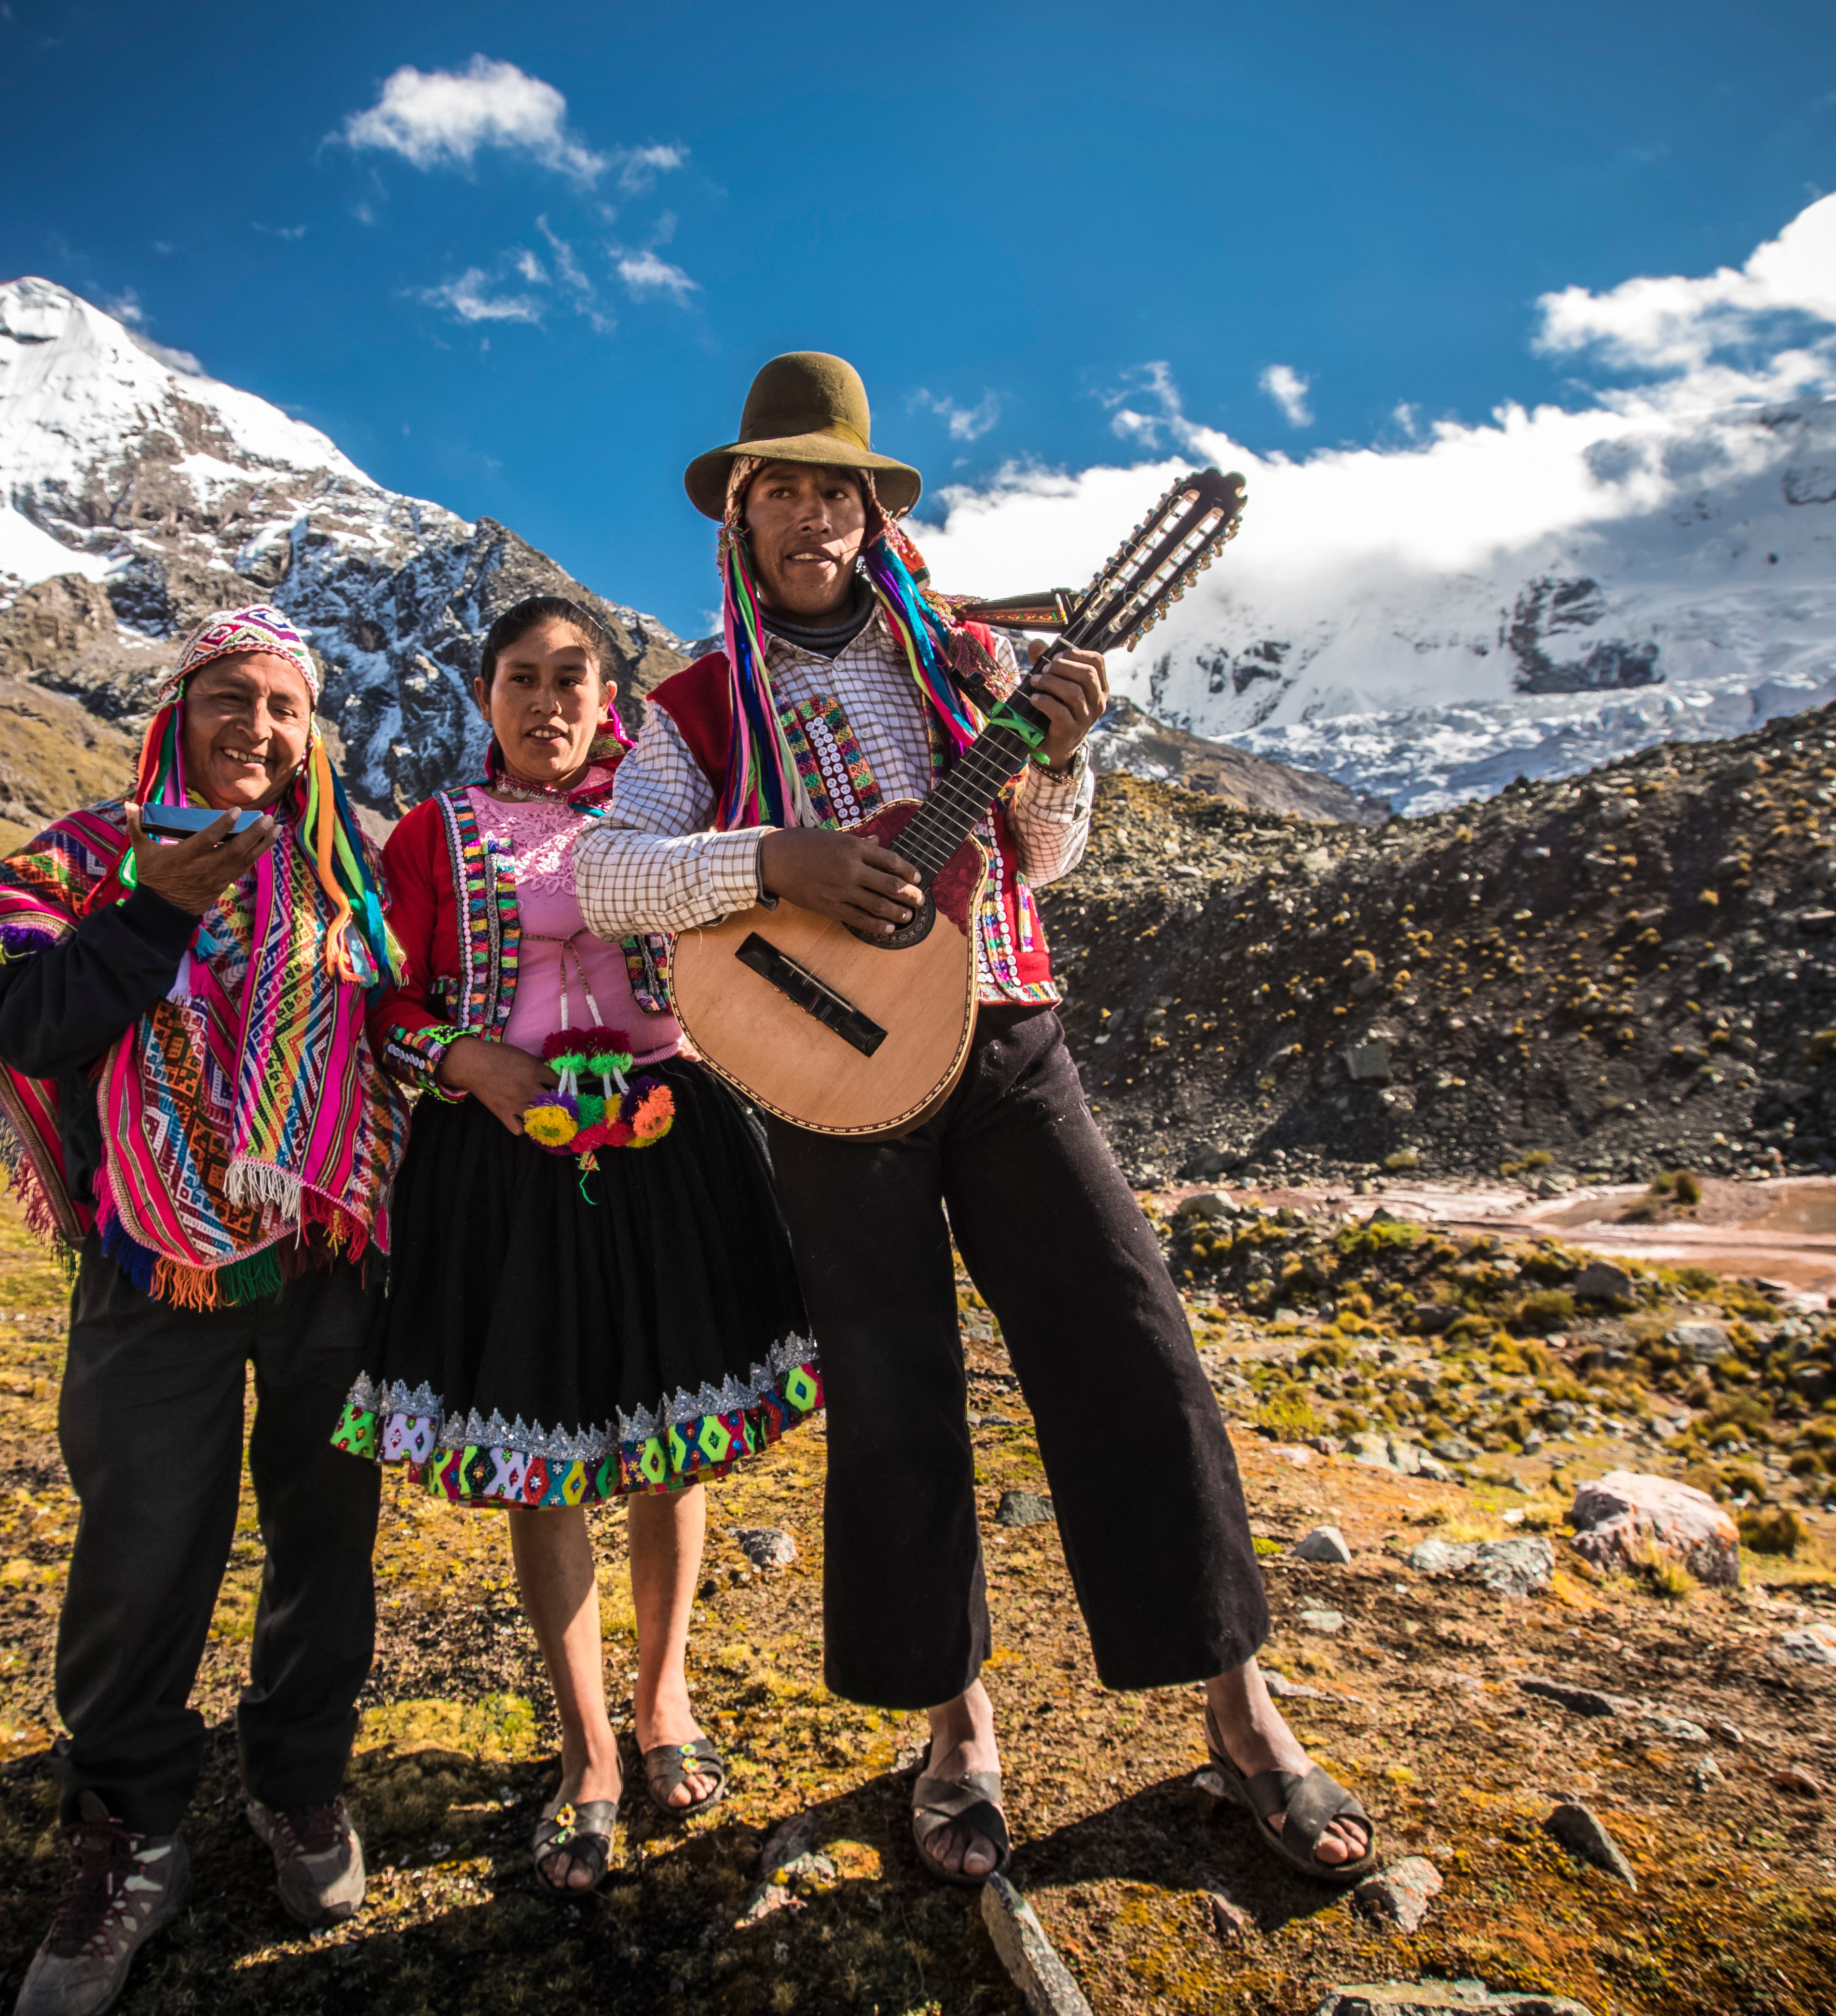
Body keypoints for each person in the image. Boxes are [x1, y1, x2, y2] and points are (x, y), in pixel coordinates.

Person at [575, 354, 1374, 1892]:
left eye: (840, 490)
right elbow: (606, 878)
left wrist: (1057, 754)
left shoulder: (974, 663)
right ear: (738, 516)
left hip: (1009, 1041)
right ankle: (958, 1725)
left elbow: (1045, 856)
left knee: (1135, 1344)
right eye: (783, 490)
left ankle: (1239, 1704)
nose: (814, 516)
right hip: (830, 1090)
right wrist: (778, 866)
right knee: (896, 1395)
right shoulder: (690, 706)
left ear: (875, 514)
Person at [0, 605, 414, 2016]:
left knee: (326, 1540)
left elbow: (414, 1025)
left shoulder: (356, 870)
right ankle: (130, 1834)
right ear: (177, 709)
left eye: (285, 705)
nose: (257, 730)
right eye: (230, 698)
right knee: (147, 1545)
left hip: (329, 1257)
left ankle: (301, 1785)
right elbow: (14, 1022)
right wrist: (156, 907)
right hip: (149, 1262)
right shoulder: (79, 860)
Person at [333, 595, 820, 1894]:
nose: (549, 705)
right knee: (546, 1464)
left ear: (611, 699)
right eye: (522, 680)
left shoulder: (663, 818)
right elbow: (383, 993)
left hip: (675, 1149)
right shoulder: (437, 837)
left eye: (573, 680)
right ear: (483, 698)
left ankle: (664, 1701)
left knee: (675, 1439)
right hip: (501, 1163)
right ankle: (586, 1748)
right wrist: (463, 1056)